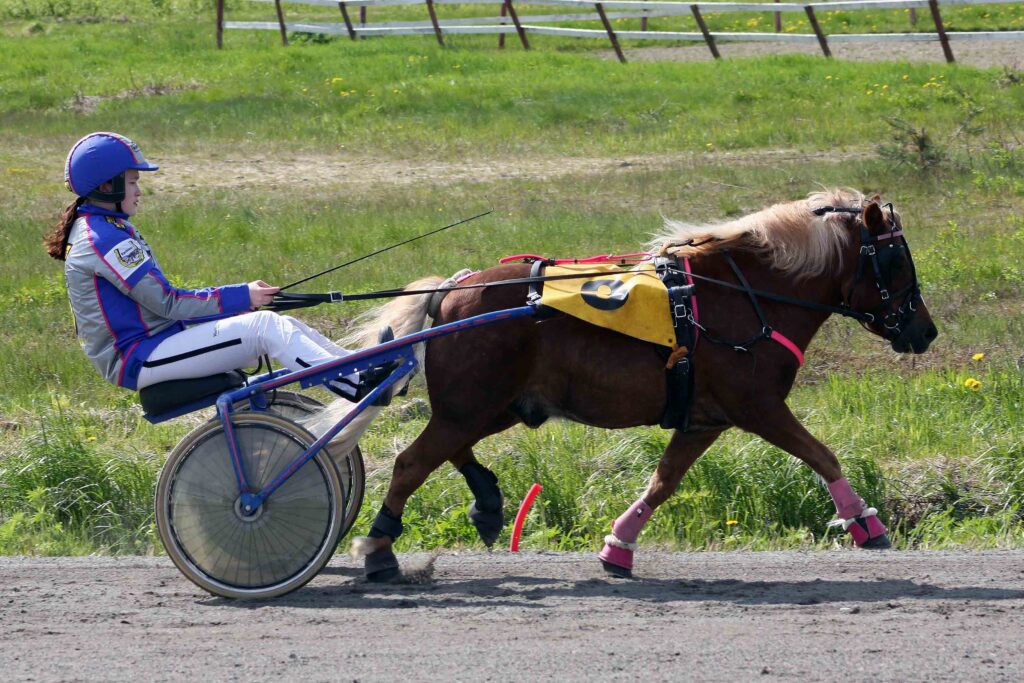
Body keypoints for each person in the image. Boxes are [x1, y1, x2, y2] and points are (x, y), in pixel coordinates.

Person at [45, 131, 376, 401]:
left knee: (277, 323)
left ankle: (364, 367)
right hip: (138, 356)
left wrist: (238, 304)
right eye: (133, 182)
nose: (139, 191)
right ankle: (359, 385)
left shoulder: (106, 226)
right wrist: (241, 297)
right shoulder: (102, 238)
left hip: (158, 340)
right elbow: (168, 302)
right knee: (265, 328)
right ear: (107, 186)